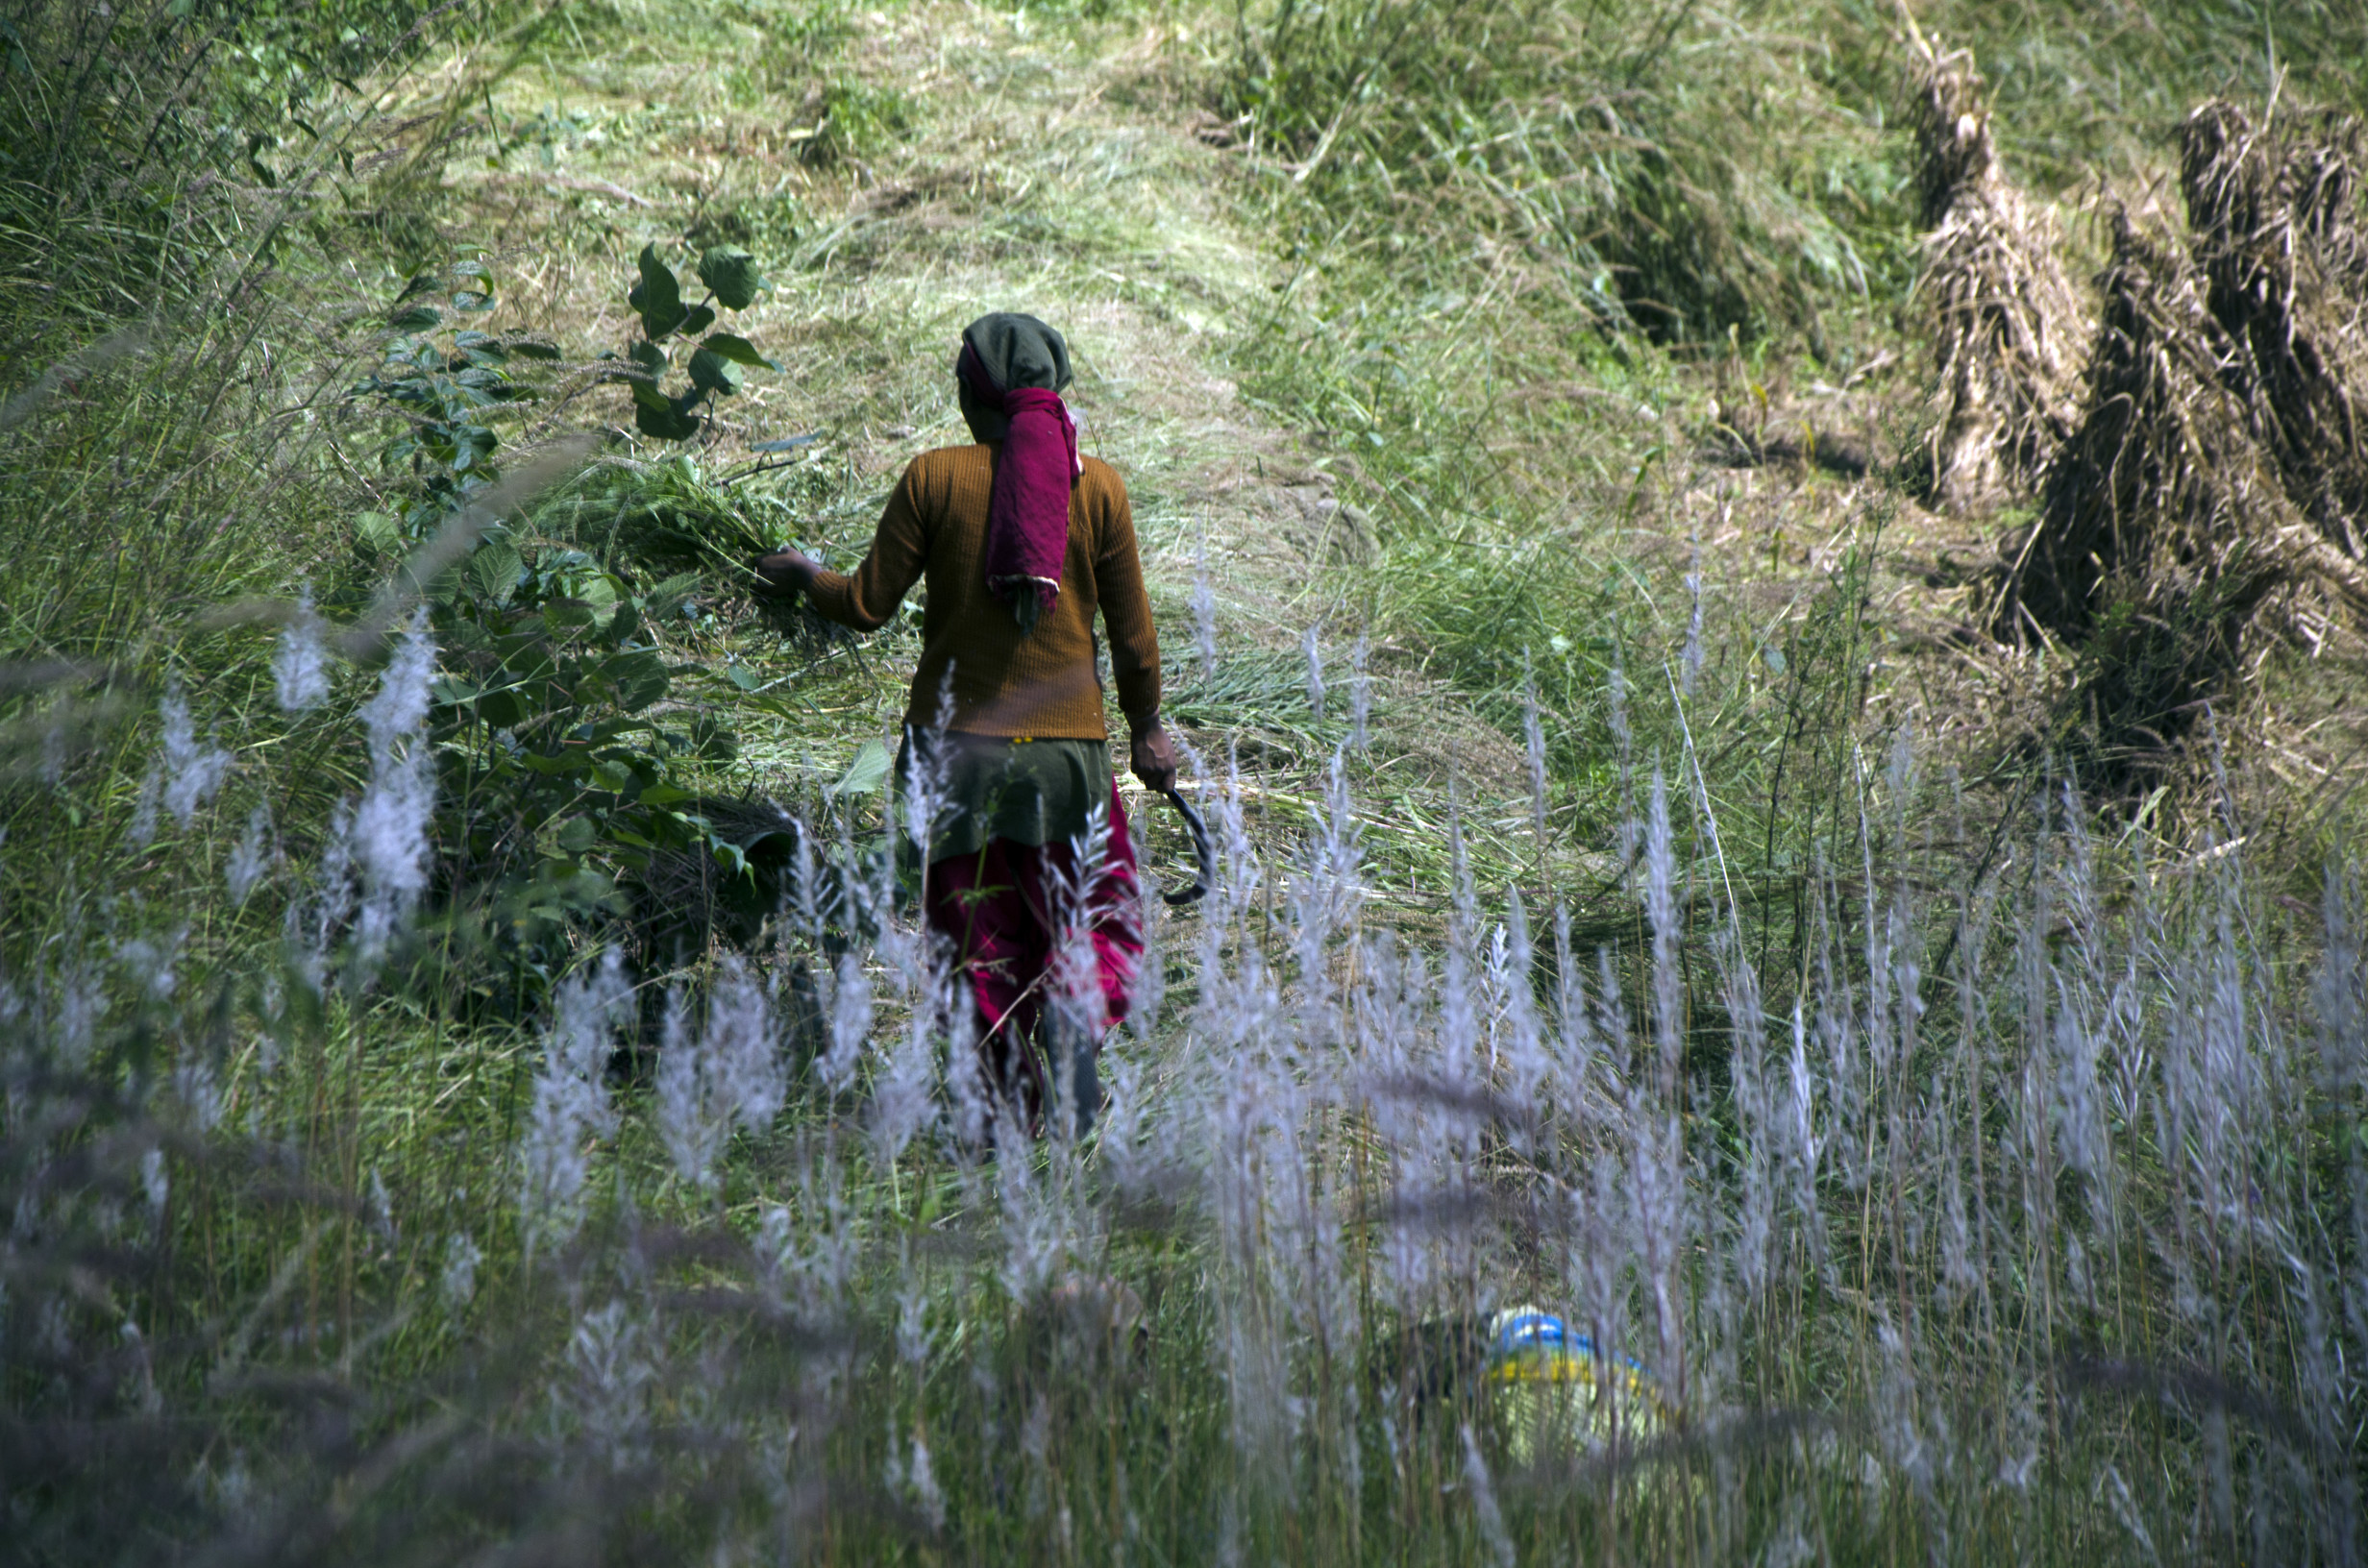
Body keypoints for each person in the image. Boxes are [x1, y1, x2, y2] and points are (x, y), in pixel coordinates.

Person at [752, 312, 1175, 1132]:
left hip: (954, 764)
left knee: (979, 949)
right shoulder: (1100, 488)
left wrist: (806, 575)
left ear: (973, 393)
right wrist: (1148, 729)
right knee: (1091, 920)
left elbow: (866, 604)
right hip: (1069, 766)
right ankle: (1079, 1071)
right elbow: (1134, 636)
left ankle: (1005, 1135)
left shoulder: (933, 478)